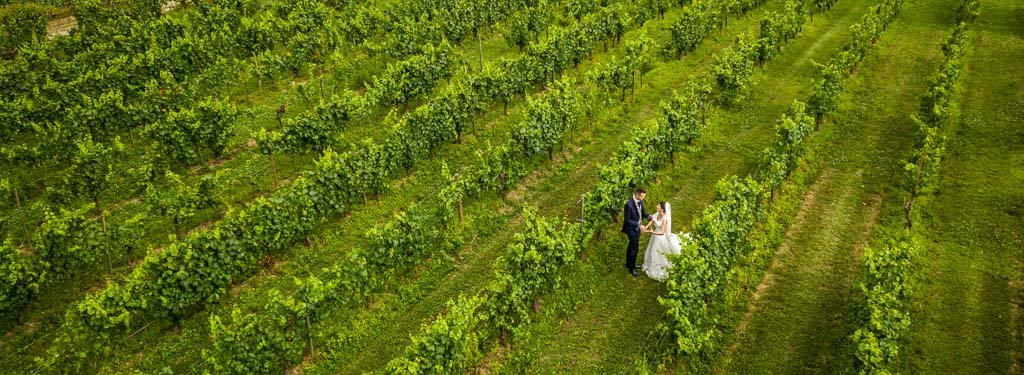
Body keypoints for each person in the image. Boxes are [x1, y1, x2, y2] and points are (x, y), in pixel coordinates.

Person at [641, 202, 683, 281]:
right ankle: (652, 265)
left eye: (658, 206)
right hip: (655, 236)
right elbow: (652, 221)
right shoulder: (657, 214)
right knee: (652, 250)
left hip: (660, 237)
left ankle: (659, 268)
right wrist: (645, 227)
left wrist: (651, 232)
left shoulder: (664, 219)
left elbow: (662, 232)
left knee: (657, 252)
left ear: (662, 209)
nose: (656, 206)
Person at [621, 187, 651, 277]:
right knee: (635, 248)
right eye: (642, 196)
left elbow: (643, 213)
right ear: (637, 194)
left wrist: (649, 216)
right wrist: (639, 225)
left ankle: (628, 263)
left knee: (631, 246)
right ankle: (632, 267)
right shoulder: (628, 205)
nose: (643, 198)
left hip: (636, 228)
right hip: (631, 229)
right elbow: (627, 220)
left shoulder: (640, 201)